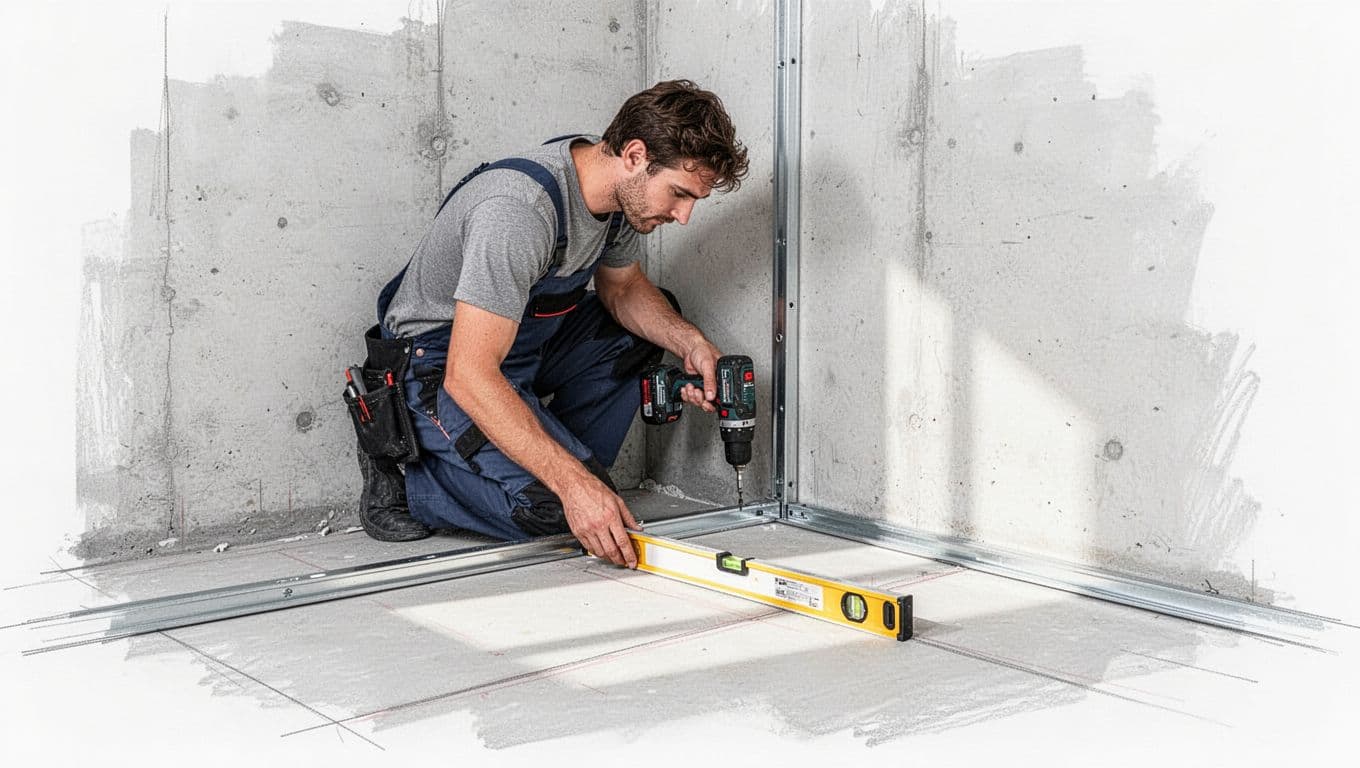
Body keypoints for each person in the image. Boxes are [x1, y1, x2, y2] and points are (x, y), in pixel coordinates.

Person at [356, 80, 749, 569]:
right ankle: (405, 474)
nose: (684, 216)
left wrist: (691, 342)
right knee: (558, 509)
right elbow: (469, 373)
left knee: (643, 328)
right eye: (679, 194)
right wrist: (571, 485)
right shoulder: (520, 212)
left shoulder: (618, 203)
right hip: (436, 368)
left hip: (519, 347)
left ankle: (550, 459)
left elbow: (622, 289)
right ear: (634, 155)